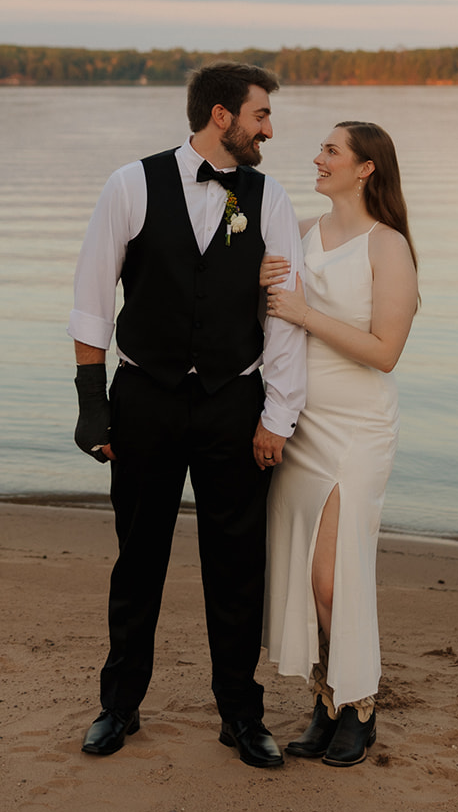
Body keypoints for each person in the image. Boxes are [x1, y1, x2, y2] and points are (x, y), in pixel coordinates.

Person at [69, 61, 307, 768]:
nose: (270, 127)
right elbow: (90, 294)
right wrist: (91, 406)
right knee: (137, 559)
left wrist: (278, 416)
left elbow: (284, 319)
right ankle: (119, 707)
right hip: (143, 398)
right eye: (260, 114)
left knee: (236, 566)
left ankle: (240, 715)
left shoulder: (269, 198)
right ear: (220, 116)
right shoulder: (129, 184)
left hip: (234, 401)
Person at [261, 120, 418, 767]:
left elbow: (384, 353)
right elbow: (273, 325)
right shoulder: (299, 236)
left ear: (365, 169)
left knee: (333, 577)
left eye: (330, 150)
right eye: (321, 148)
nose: (317, 158)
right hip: (302, 424)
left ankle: (360, 704)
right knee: (307, 576)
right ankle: (327, 699)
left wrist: (302, 313)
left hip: (356, 428)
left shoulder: (389, 248)